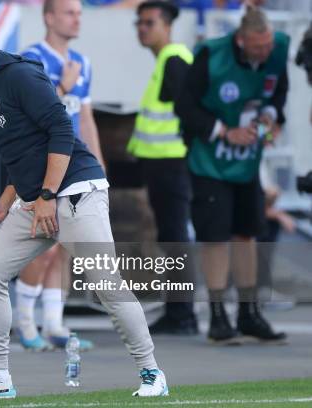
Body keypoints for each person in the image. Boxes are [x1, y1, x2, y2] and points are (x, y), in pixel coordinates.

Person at [0, 23, 168, 401]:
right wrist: (4, 202)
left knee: (106, 285)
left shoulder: (21, 74)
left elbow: (61, 130)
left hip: (76, 191)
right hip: (36, 200)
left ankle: (152, 373)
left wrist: (47, 194)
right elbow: (22, 158)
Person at [175, 8, 288, 344]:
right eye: (257, 47)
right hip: (210, 161)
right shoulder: (212, 55)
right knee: (215, 235)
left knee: (247, 232)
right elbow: (184, 106)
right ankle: (218, 315)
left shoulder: (277, 49)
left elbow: (278, 91)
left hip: (248, 162)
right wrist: (224, 132)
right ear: (241, 40)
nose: (263, 52)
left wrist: (269, 116)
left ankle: (249, 312)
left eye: (267, 45)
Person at [15, 0, 105, 352]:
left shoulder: (84, 62)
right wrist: (63, 88)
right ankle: (24, 324)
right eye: (70, 12)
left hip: (76, 167)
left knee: (66, 245)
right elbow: (29, 114)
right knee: (42, 247)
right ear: (49, 17)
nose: (77, 18)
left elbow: (86, 118)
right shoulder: (31, 59)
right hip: (41, 164)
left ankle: (54, 324)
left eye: (80, 13)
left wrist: (97, 162)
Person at [127, 1, 198, 335]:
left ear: (166, 26)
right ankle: (178, 312)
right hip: (162, 164)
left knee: (175, 238)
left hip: (172, 163)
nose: (142, 28)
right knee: (171, 236)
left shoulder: (174, 60)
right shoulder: (166, 61)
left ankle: (182, 315)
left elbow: (190, 113)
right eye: (139, 23)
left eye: (149, 23)